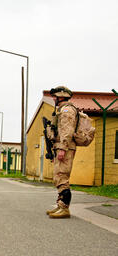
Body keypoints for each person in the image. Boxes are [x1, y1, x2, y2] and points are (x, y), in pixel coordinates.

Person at [46, 86, 78, 219]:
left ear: (61, 96)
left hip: (65, 147)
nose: (53, 99)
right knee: (58, 176)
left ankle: (65, 208)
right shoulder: (61, 110)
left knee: (62, 176)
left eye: (55, 96)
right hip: (61, 146)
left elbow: (67, 130)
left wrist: (62, 148)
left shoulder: (66, 110)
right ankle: (60, 205)